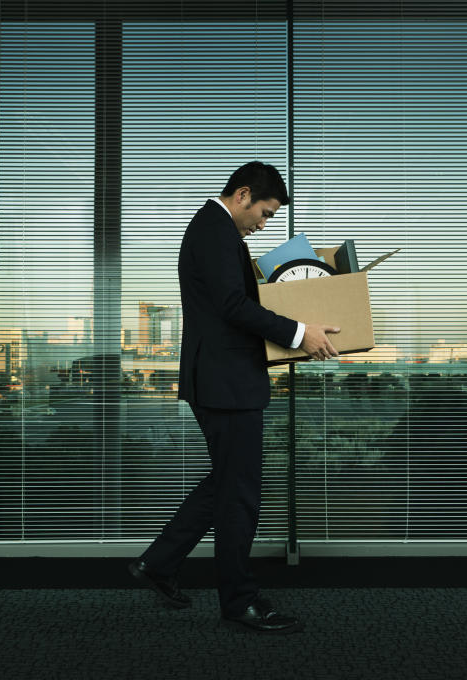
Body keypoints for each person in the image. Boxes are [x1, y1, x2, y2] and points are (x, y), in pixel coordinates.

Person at [128, 161, 340, 634]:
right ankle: (238, 602)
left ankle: (159, 564)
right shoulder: (214, 230)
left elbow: (231, 301)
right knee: (240, 494)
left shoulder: (217, 231)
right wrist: (300, 332)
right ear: (242, 195)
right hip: (226, 384)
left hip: (223, 379)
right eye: (264, 213)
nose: (263, 224)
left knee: (228, 482)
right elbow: (231, 305)